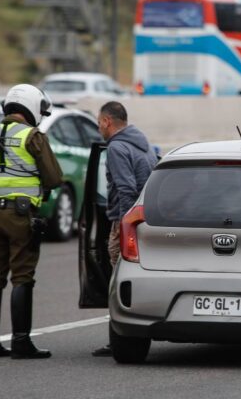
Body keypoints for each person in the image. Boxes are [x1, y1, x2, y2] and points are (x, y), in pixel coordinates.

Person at [0, 84, 63, 359]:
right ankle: (21, 341)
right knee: (22, 276)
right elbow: (54, 178)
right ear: (30, 106)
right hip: (21, 215)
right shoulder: (32, 136)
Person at [92, 101, 158, 357]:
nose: (99, 128)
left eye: (99, 123)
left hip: (126, 221)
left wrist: (123, 227)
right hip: (146, 219)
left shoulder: (118, 148)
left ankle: (119, 337)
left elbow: (126, 189)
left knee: (117, 282)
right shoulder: (143, 143)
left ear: (107, 121)